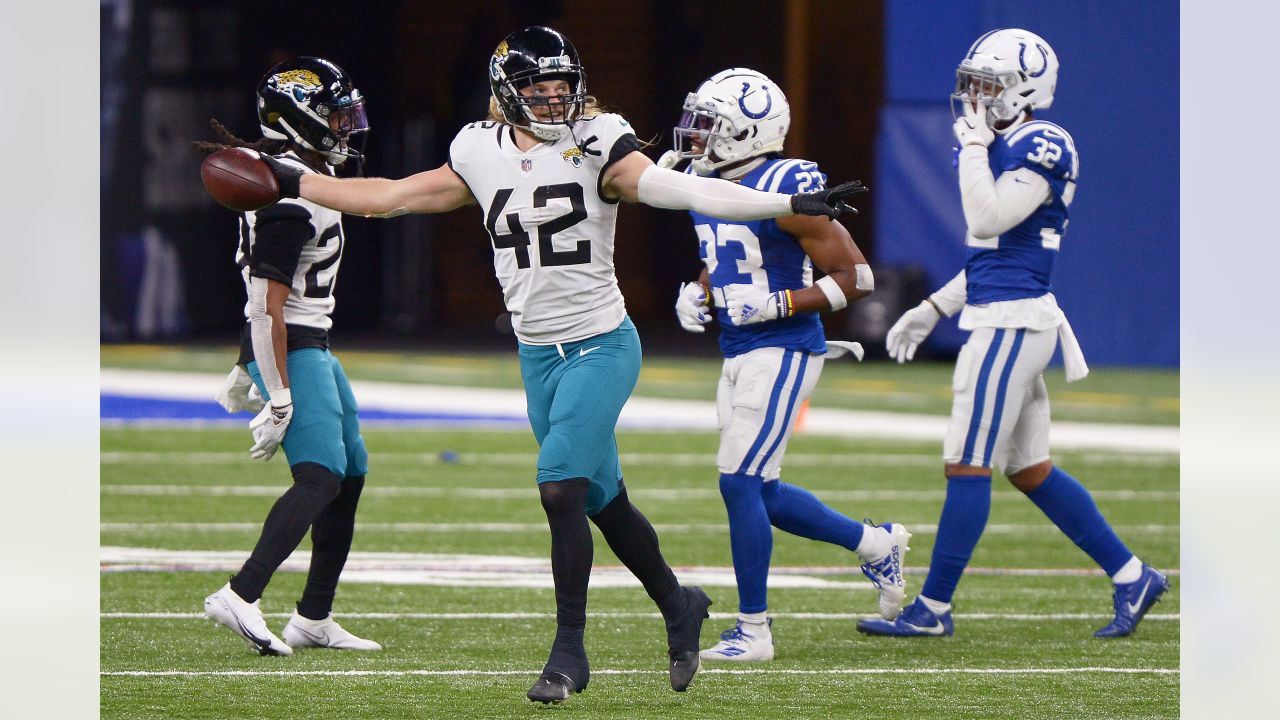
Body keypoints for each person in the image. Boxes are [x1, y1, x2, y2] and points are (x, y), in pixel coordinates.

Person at [249, 26, 862, 702]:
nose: (552, 99)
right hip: (538, 355)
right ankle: (679, 603)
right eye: (537, 88)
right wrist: (295, 179)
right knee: (605, 500)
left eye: (561, 85)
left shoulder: (598, 137)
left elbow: (675, 190)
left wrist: (783, 204)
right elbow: (390, 197)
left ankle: (569, 654)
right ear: (506, 91)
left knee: (560, 487)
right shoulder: (477, 149)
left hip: (601, 344)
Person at [856, 29, 1169, 640]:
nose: (974, 96)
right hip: (1006, 312)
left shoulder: (1043, 143)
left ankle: (934, 610)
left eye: (988, 85)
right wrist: (931, 309)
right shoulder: (1000, 144)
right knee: (1029, 469)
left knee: (967, 465)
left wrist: (974, 149)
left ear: (1025, 89)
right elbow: (994, 256)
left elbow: (987, 216)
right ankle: (1133, 576)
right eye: (971, 82)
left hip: (1012, 325)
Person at [662, 68, 910, 662]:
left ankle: (754, 630)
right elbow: (728, 258)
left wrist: (780, 302)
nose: (697, 134)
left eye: (711, 124)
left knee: (738, 481)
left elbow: (859, 278)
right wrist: (698, 289)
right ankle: (875, 545)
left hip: (787, 346)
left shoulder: (787, 188)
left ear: (747, 133)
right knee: (761, 491)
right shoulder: (701, 178)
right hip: (739, 348)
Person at [197, 57, 381, 656]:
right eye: (333, 115)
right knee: (320, 475)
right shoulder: (288, 197)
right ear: (298, 118)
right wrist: (275, 390)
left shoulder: (298, 177)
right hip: (292, 346)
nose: (345, 127)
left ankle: (314, 617)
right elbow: (263, 306)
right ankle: (241, 592)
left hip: (311, 343)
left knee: (349, 475)